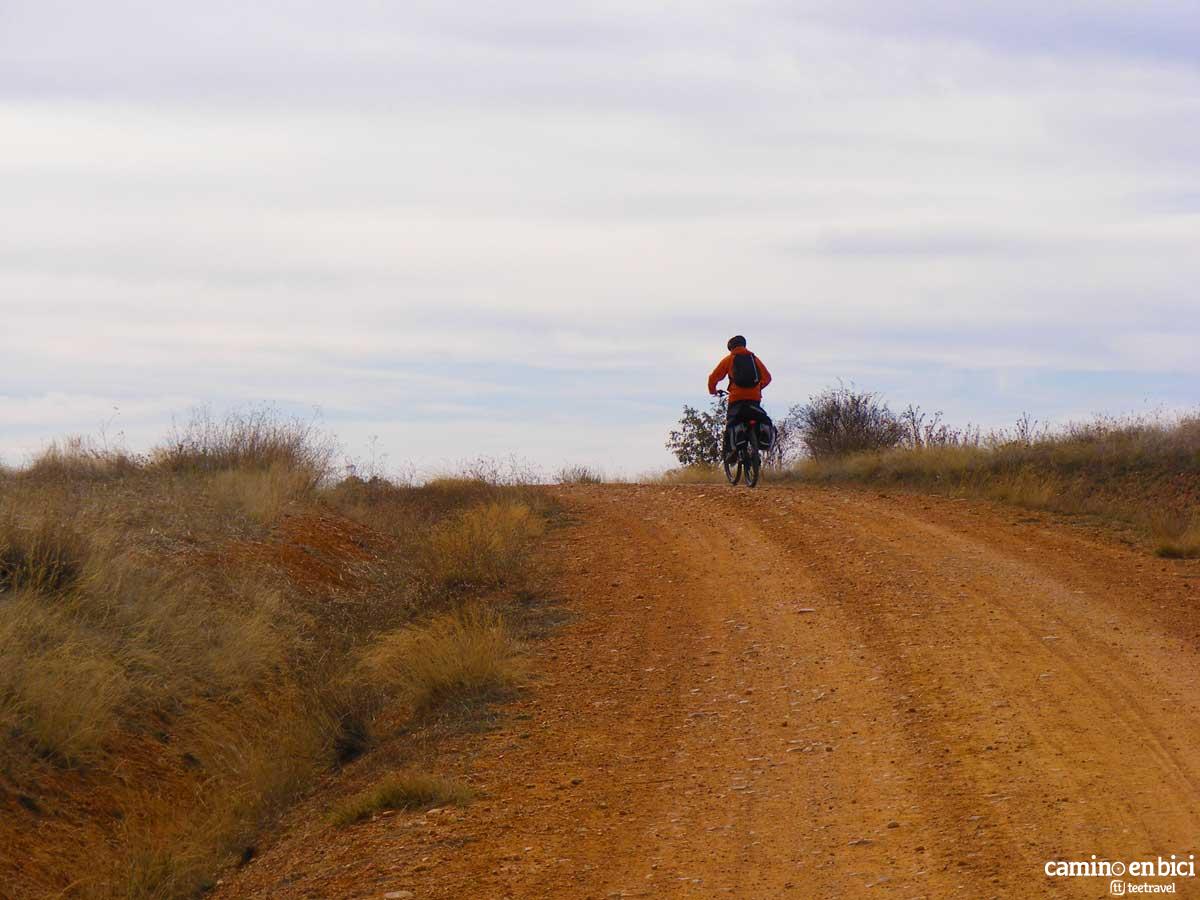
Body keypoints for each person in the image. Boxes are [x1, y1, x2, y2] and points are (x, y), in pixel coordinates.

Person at [708, 335, 773, 459]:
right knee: (757, 417)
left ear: (731, 347)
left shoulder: (729, 359)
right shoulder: (754, 359)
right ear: (744, 345)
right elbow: (767, 378)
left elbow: (713, 378)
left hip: (736, 398)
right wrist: (758, 388)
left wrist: (713, 391)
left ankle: (732, 451)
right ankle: (761, 438)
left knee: (732, 423)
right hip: (754, 398)